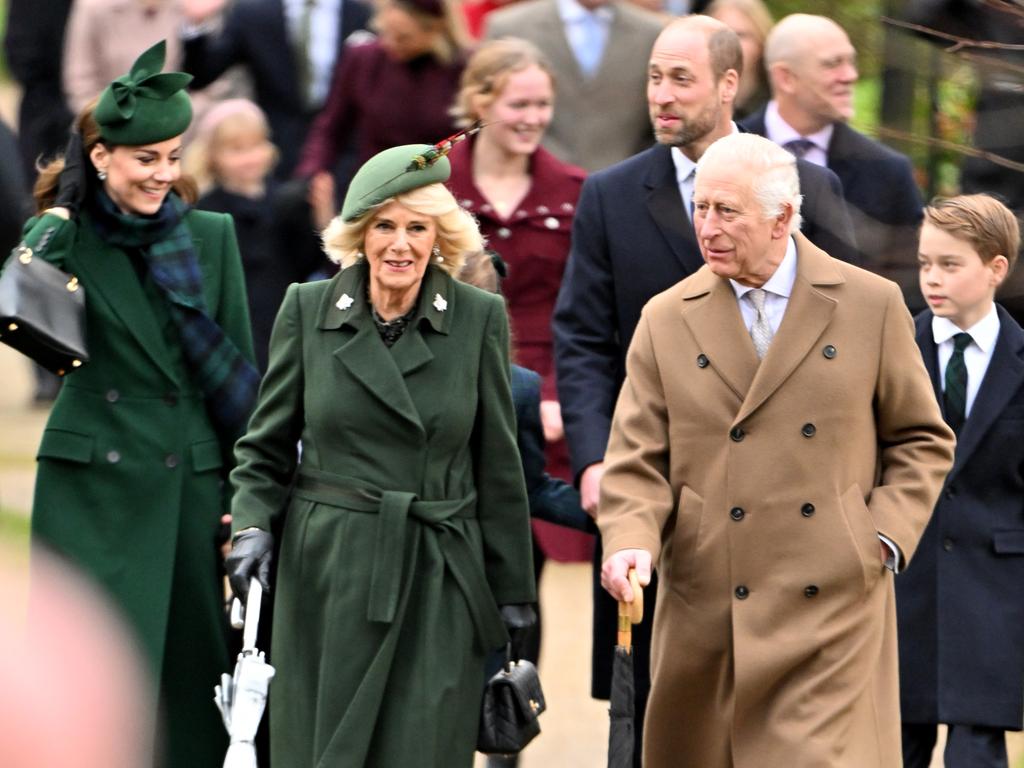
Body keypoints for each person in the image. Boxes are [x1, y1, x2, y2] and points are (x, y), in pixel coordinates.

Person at [551, 15, 856, 764]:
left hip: (787, 507)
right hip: (658, 495)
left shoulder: (805, 189)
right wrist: (596, 461)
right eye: (653, 77)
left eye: (679, 78)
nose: (661, 94)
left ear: (729, 84)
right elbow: (584, 342)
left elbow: (855, 340)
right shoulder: (611, 196)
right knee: (646, 710)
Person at [598, 131, 955, 767]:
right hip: (709, 601)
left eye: (727, 211)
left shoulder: (869, 305)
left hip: (834, 604)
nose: (707, 227)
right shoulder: (665, 317)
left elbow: (920, 439)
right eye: (700, 207)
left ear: (783, 217)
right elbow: (637, 458)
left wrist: (880, 537)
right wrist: (631, 540)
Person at [226, 139, 537, 767]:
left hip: (437, 574)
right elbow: (264, 448)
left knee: (421, 745)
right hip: (327, 572)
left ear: (440, 238)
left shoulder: (478, 319)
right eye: (384, 226)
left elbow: (498, 466)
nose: (400, 244)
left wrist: (514, 591)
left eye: (417, 228)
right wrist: (253, 528)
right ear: (358, 236)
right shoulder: (307, 310)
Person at [13, 41, 258, 767]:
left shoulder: (211, 236)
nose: (163, 173)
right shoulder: (68, 242)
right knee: (85, 669)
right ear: (101, 157)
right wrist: (52, 224)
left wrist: (246, 502)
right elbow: (20, 322)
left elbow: (242, 384)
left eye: (172, 155)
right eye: (144, 157)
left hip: (187, 483)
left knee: (188, 685)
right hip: (90, 487)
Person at [446, 38, 589, 567]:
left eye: (542, 105)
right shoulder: (429, 185)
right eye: (518, 105)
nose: (533, 118)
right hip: (450, 391)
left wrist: (553, 399)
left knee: (528, 565)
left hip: (546, 402)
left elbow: (582, 315)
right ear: (480, 102)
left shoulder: (577, 193)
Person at [897, 194, 1024, 768]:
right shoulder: (894, 348)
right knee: (896, 745)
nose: (932, 278)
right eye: (925, 263)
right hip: (904, 586)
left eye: (950, 265)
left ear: (997, 268)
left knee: (978, 753)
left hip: (995, 592)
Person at [742, 13, 925, 311]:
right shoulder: (728, 152)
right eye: (832, 64)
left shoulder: (888, 172)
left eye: (850, 62)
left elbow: (911, 290)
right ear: (785, 77)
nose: (850, 75)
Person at [188, 98, 334, 371]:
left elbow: (308, 264)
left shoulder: (284, 204)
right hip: (237, 326)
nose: (249, 157)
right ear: (211, 155)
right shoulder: (207, 211)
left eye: (256, 145)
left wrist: (322, 219)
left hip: (284, 321)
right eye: (236, 149)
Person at [180, 0, 373, 178]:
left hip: (344, 156)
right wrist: (196, 23)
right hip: (274, 153)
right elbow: (201, 76)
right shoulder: (253, 13)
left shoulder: (360, 13)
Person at [295, 0, 469, 189]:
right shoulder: (364, 59)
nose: (389, 43)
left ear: (436, 30)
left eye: (403, 37)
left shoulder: (462, 69)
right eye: (385, 33)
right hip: (374, 187)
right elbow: (331, 128)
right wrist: (312, 172)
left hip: (441, 187)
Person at [483, 0, 665, 173]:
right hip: (533, 184)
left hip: (623, 186)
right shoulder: (510, 26)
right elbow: (486, 105)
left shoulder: (652, 33)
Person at [705, 0, 772, 119]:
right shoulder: (694, 99)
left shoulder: (775, 105)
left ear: (761, 41)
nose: (730, 43)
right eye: (721, 34)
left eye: (740, 35)